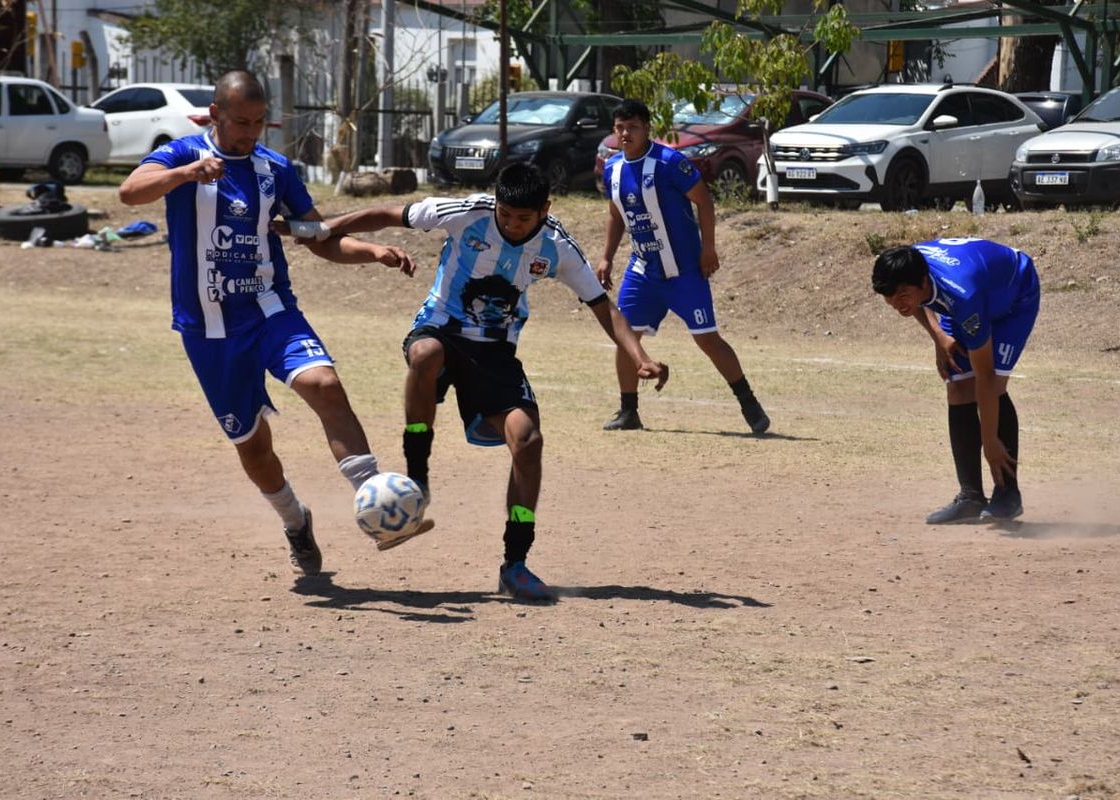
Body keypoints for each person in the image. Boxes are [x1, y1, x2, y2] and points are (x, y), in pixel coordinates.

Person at [282, 162, 669, 601]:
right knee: (425, 354)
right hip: (439, 328)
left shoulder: (556, 246)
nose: (511, 224)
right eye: (505, 214)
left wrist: (640, 356)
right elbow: (392, 213)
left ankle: (516, 563)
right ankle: (418, 476)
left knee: (528, 442)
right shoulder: (468, 213)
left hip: (496, 352)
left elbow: (604, 307)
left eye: (523, 218)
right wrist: (323, 227)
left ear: (544, 210)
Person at [119, 69, 424, 576]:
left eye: (260, 122)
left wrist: (372, 251)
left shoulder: (276, 169)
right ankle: (295, 521)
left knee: (324, 383)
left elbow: (318, 236)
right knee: (255, 448)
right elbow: (131, 193)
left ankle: (378, 503)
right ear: (215, 114)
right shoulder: (180, 154)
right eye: (241, 121)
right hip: (208, 327)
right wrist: (186, 175)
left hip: (269, 309)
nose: (251, 131)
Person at [596, 98, 770, 435]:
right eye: (620, 128)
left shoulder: (669, 162)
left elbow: (703, 200)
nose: (625, 133)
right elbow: (616, 215)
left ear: (647, 128)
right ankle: (628, 410)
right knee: (626, 337)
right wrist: (606, 256)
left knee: (708, 340)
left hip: (684, 270)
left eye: (632, 127)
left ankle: (749, 402)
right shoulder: (613, 167)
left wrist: (709, 248)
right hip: (643, 269)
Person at [871, 238, 1041, 523]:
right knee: (958, 386)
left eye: (901, 295)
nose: (895, 304)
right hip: (966, 292)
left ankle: (1008, 495)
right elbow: (917, 302)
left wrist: (989, 442)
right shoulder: (911, 265)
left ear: (923, 280)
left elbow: (985, 377)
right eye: (888, 297)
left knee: (993, 385)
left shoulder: (964, 296)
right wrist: (939, 336)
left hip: (1012, 296)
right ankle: (971, 496)